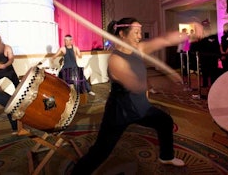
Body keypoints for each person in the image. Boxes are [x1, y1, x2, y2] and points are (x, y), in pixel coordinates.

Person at [70, 18, 185, 174]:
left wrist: (186, 35)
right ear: (123, 34)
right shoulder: (115, 60)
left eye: (140, 31)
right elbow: (136, 85)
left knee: (164, 121)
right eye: (136, 32)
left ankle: (166, 156)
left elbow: (163, 40)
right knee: (101, 150)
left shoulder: (139, 49)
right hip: (120, 112)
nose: (140, 36)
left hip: (140, 108)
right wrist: (168, 83)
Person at [196, 19, 220, 98]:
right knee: (204, 70)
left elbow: (215, 45)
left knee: (213, 71)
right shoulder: (201, 36)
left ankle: (213, 83)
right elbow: (199, 46)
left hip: (212, 56)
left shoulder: (213, 35)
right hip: (204, 57)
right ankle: (205, 84)